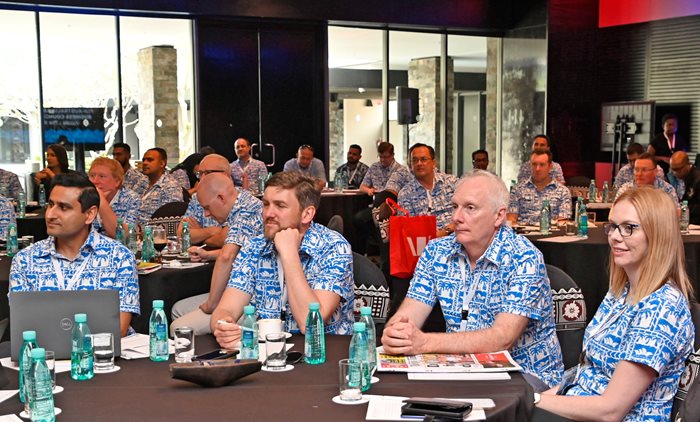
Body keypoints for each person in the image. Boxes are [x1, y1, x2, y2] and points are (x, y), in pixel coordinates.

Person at [382, 170, 564, 390]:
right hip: (459, 368)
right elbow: (408, 316)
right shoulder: (436, 251)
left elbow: (502, 339)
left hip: (524, 375)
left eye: (470, 208)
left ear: (499, 216)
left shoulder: (524, 257)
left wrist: (424, 342)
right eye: (454, 206)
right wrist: (396, 334)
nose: (456, 218)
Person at [536, 187, 694, 420]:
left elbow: (611, 410)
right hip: (580, 406)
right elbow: (586, 375)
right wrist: (533, 399)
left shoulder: (662, 307)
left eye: (629, 228)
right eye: (613, 226)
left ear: (658, 234)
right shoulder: (621, 292)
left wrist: (532, 401)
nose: (615, 237)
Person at [211, 172, 355, 348]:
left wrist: (289, 253)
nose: (268, 213)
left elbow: (310, 324)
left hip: (324, 353)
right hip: (268, 353)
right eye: (266, 204)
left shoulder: (334, 247)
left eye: (280, 205)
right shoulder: (254, 246)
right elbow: (225, 309)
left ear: (307, 214)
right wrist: (223, 326)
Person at [9, 173, 140, 337]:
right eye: (51, 205)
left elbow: (119, 328)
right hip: (43, 351)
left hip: (105, 352)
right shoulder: (25, 260)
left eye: (64, 207)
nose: (50, 215)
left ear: (89, 214)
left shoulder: (119, 257)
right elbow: (23, 325)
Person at [170, 172, 263, 335]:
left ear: (221, 198)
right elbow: (244, 251)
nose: (206, 214)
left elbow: (227, 256)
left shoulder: (245, 210)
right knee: (178, 309)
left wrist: (212, 303)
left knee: (178, 328)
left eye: (207, 207)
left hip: (253, 298)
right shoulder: (243, 201)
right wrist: (209, 255)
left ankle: (218, 347)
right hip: (242, 290)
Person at [397, 143, 458, 237]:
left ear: (433, 163)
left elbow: (468, 212)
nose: (419, 163)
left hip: (460, 236)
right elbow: (408, 231)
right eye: (414, 160)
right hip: (427, 243)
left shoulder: (452, 182)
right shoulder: (405, 194)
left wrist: (447, 230)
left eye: (423, 159)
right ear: (411, 165)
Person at [177, 154, 233, 250]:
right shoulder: (196, 198)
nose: (202, 178)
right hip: (201, 255)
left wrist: (199, 234)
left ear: (225, 175)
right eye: (199, 174)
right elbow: (181, 234)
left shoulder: (240, 199)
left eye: (207, 173)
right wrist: (211, 231)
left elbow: (225, 239)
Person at [508, 149, 571, 225]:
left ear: (550, 166)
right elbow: (510, 220)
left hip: (551, 231)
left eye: (542, 165)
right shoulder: (517, 190)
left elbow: (563, 223)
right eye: (534, 164)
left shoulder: (563, 192)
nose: (537, 169)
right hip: (523, 231)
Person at [87, 157, 141, 239]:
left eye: (102, 176)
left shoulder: (131, 199)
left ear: (117, 181)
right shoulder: (84, 197)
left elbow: (124, 236)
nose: (95, 181)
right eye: (92, 176)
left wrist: (102, 202)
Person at [138, 147, 183, 224]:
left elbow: (170, 222)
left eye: (150, 160)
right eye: (144, 160)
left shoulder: (171, 187)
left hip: (152, 229)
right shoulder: (140, 182)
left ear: (162, 163)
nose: (145, 163)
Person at [670, 151, 700, 224]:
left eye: (678, 169)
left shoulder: (698, 180)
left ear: (688, 164)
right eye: (672, 169)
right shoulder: (672, 179)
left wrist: (682, 208)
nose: (675, 173)